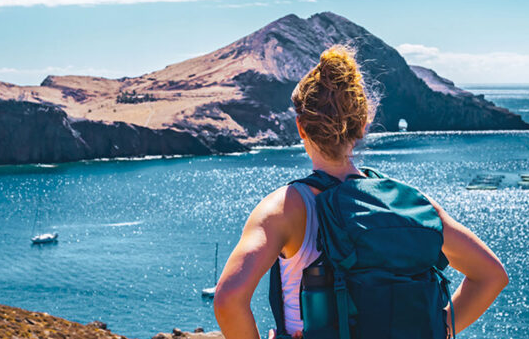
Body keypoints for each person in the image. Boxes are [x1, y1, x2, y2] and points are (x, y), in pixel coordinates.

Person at [214, 45, 508, 339]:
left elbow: (229, 299)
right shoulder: (408, 203)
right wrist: (439, 326)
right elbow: (491, 276)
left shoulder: (285, 208)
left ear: (301, 128)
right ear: (363, 125)